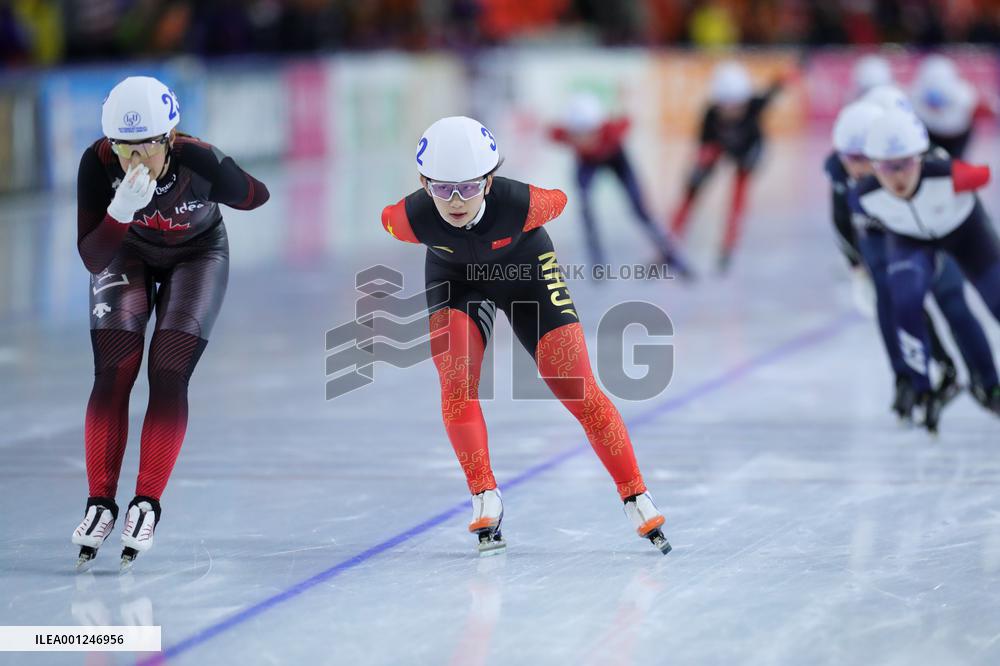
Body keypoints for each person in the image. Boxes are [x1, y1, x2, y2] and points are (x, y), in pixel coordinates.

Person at [380, 116, 671, 556]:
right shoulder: (405, 219)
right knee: (456, 385)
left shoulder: (525, 204)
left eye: (469, 187)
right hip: (456, 283)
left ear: (491, 180)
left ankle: (635, 494)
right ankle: (484, 495)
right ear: (423, 182)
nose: (456, 201)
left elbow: (562, 199)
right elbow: (388, 217)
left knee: (577, 388)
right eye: (442, 189)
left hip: (527, 273)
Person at [72, 76, 270, 570]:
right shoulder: (97, 163)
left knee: (167, 370)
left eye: (146, 148)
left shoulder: (196, 158)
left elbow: (257, 196)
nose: (134, 160)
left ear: (170, 137)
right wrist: (119, 211)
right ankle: (99, 502)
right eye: (124, 148)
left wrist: (223, 175)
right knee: (114, 370)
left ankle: (146, 502)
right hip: (127, 252)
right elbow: (94, 256)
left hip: (197, 255)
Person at [826, 101, 996, 421]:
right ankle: (916, 383)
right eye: (851, 160)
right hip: (906, 236)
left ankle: (988, 384)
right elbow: (843, 224)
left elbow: (979, 179)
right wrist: (857, 267)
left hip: (955, 230)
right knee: (899, 298)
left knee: (965, 301)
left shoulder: (936, 167)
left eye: (904, 165)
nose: (898, 176)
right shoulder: (859, 193)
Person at [548, 93, 692, 278]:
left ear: (599, 128)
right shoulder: (563, 134)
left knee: (640, 210)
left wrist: (626, 98)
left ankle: (672, 255)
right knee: (585, 208)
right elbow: (547, 131)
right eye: (578, 134)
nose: (584, 140)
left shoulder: (613, 131)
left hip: (617, 159)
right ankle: (597, 261)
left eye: (589, 133)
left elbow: (629, 118)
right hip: (586, 164)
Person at [668, 61, 785, 272]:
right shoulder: (710, 115)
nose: (732, 111)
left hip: (748, 151)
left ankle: (729, 246)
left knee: (738, 197)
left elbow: (777, 86)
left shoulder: (755, 105)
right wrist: (697, 171)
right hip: (718, 147)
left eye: (737, 105)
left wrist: (797, 69)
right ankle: (670, 239)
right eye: (726, 105)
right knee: (691, 191)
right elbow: (703, 148)